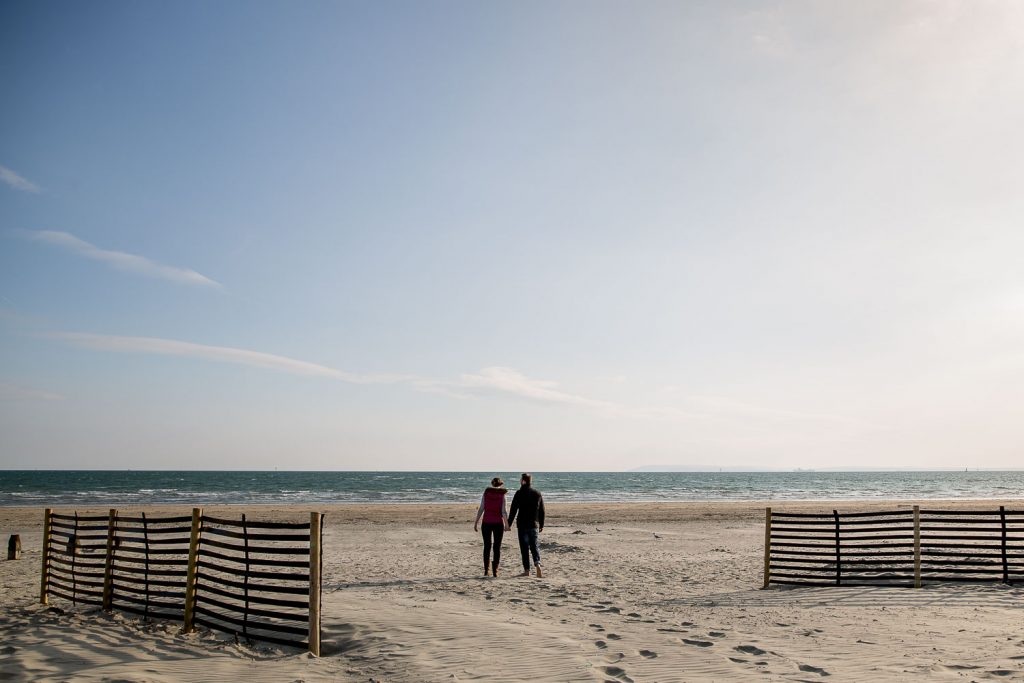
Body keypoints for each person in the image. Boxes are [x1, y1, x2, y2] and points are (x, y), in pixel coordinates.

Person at [508, 472, 545, 577]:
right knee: (534, 546)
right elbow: (541, 510)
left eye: (521, 479)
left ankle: (527, 570)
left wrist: (508, 524)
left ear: (523, 481)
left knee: (524, 548)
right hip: (534, 524)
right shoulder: (537, 493)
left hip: (522, 524)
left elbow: (513, 510)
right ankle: (537, 564)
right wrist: (541, 524)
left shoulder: (519, 493)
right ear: (530, 481)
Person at [473, 477, 510, 577]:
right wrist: (507, 525)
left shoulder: (486, 493)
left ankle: (486, 570)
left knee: (487, 546)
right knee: (497, 547)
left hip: (486, 523)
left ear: (492, 484)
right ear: (500, 484)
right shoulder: (502, 495)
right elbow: (504, 512)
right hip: (498, 523)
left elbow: (481, 509)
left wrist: (476, 522)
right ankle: (495, 571)